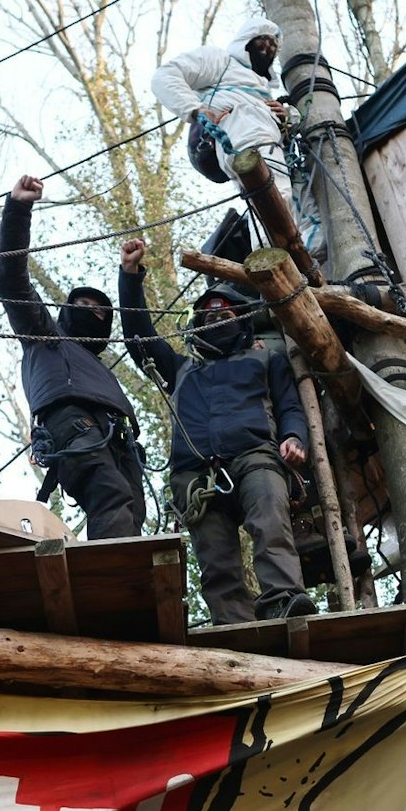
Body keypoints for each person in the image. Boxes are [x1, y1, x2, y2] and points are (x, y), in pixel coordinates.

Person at [117, 236, 317, 624]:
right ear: (197, 326)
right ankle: (233, 624)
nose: (215, 315)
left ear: (241, 318)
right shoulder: (181, 369)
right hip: (195, 474)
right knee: (215, 557)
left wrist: (295, 438)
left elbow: (290, 406)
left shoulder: (265, 359)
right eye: (207, 313)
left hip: (255, 457)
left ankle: (282, 598)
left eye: (225, 312)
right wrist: (130, 276)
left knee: (271, 523)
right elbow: (138, 337)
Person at [0, 174, 146, 540]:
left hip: (116, 434)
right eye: (82, 304)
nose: (90, 310)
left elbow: (142, 334)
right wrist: (18, 208)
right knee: (109, 491)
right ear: (65, 310)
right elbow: (11, 280)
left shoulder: (96, 365)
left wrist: (130, 275)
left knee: (131, 509)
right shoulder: (44, 334)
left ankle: (129, 580)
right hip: (71, 421)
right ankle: (114, 574)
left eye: (98, 309)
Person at [150, 18, 321, 257]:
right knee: (272, 196)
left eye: (274, 45)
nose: (269, 48)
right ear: (246, 41)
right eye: (263, 40)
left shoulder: (262, 88)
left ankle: (303, 261)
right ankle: (272, 259)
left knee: (300, 209)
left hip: (270, 142)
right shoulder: (219, 61)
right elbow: (165, 76)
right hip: (244, 133)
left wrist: (287, 115)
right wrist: (195, 109)